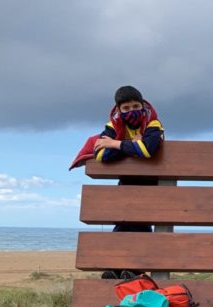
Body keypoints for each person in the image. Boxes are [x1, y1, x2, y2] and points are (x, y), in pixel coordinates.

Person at [69, 85, 166, 279]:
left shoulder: (153, 123)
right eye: (126, 108)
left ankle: (136, 269)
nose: (131, 111)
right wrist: (133, 145)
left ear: (143, 105)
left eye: (136, 106)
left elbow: (148, 150)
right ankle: (115, 267)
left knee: (140, 226)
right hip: (125, 188)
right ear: (118, 110)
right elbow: (102, 155)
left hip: (149, 188)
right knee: (122, 226)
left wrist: (115, 144)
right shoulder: (113, 125)